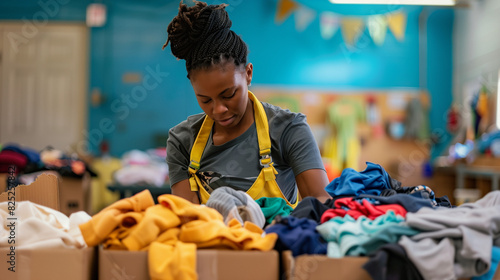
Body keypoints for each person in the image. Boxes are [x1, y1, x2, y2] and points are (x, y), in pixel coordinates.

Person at [163, 1, 331, 208]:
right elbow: (188, 216)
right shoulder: (182, 141)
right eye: (205, 100)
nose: (218, 110)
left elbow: (321, 201)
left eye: (229, 94)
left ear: (248, 74)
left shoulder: (288, 129)